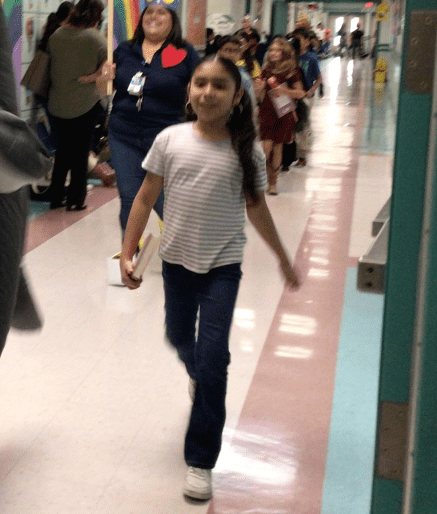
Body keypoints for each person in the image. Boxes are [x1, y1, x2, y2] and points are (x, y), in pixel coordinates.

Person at [118, 56, 301, 502]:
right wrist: (127, 252)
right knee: (179, 336)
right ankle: (199, 373)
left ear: (237, 96)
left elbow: (257, 207)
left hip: (222, 266)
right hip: (177, 263)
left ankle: (200, 459)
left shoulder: (247, 149)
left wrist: (280, 256)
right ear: (189, 91)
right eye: (199, 83)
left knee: (214, 356)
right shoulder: (170, 140)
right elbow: (144, 199)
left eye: (219, 86)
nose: (207, 92)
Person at [97, 2, 201, 232]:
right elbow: (104, 89)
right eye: (149, 12)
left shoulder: (185, 53)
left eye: (161, 12)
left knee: (164, 200)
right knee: (130, 198)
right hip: (123, 134)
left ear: (172, 20)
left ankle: (187, 251)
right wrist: (104, 76)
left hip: (164, 137)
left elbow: (201, 86)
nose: (153, 16)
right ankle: (129, 260)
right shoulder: (125, 50)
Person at [46, 0, 106, 210]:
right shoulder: (96, 39)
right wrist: (90, 77)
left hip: (57, 102)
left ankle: (55, 197)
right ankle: (75, 200)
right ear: (96, 15)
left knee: (62, 151)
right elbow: (106, 69)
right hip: (85, 103)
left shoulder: (56, 35)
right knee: (80, 153)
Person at [255, 38, 305, 194]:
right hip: (267, 111)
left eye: (277, 50)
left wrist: (285, 91)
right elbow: (259, 96)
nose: (274, 53)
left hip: (284, 113)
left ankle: (273, 183)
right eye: (271, 50)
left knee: (278, 147)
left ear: (284, 52)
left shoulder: (292, 71)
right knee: (265, 148)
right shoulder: (266, 70)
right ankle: (265, 177)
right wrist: (259, 88)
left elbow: (301, 93)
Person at [292, 29, 321, 168]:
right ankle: (292, 153)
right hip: (292, 94)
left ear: (308, 41)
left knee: (303, 125)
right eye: (295, 39)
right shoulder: (292, 56)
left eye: (301, 39)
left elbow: (319, 79)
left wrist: (311, 91)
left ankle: (302, 155)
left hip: (306, 97)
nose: (298, 42)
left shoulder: (311, 58)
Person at [214, 35, 255, 100]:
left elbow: (250, 105)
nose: (232, 55)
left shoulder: (244, 79)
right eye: (228, 50)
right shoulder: (210, 73)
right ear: (219, 52)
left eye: (236, 51)